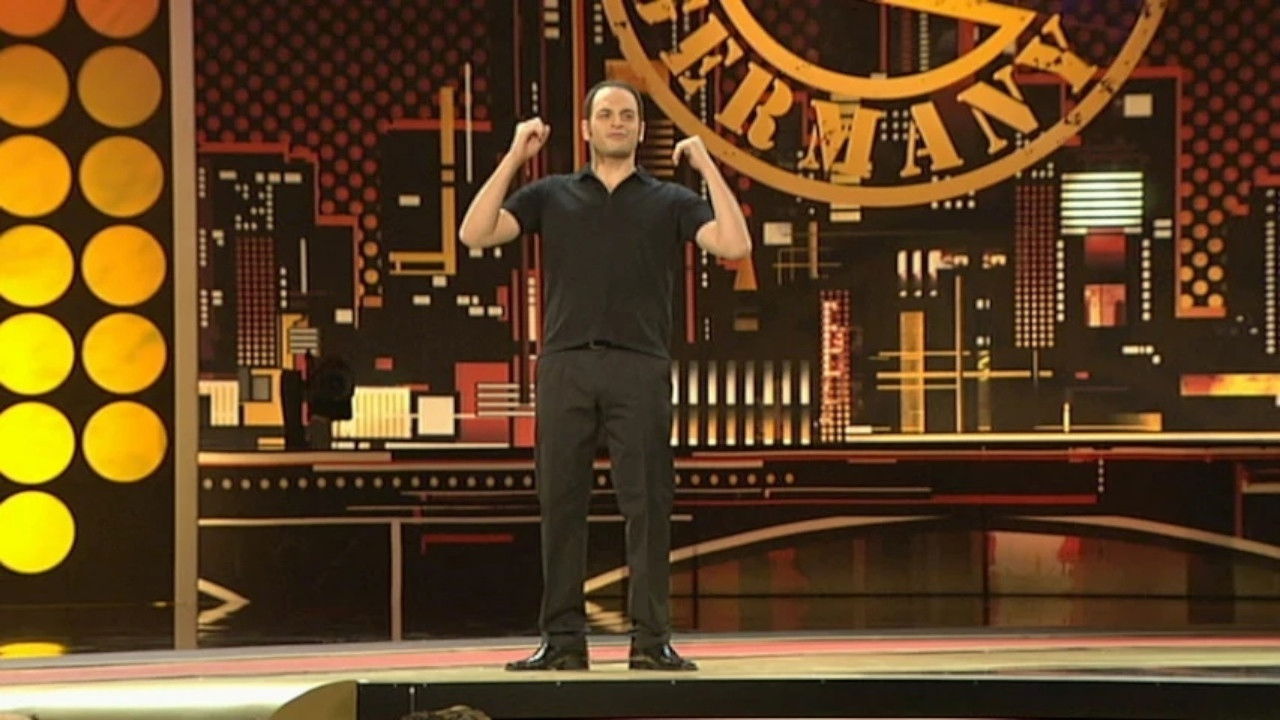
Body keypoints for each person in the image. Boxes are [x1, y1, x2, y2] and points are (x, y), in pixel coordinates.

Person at [458, 80, 751, 671]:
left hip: (639, 365)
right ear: (586, 129)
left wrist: (706, 166)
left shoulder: (669, 200)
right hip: (566, 363)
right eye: (606, 114)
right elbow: (475, 233)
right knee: (561, 504)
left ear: (640, 130)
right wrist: (515, 156)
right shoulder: (552, 194)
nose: (617, 122)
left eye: (627, 115)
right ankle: (563, 642)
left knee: (648, 505)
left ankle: (651, 641)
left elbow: (734, 242)